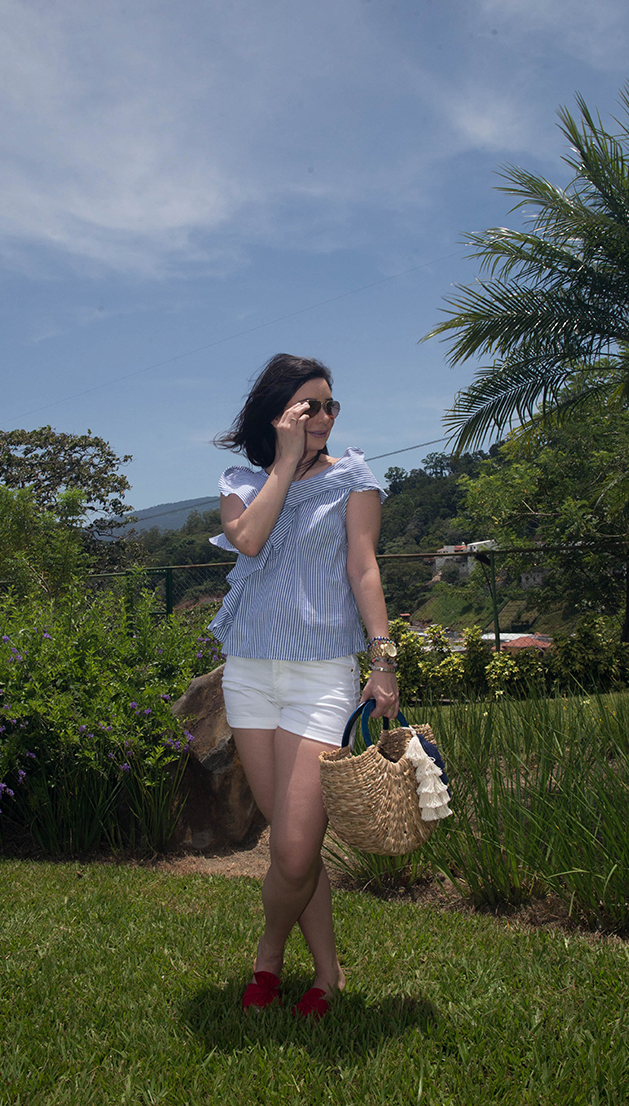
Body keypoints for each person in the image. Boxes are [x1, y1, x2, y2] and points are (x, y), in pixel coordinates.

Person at [209, 353, 399, 1019]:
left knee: (292, 848)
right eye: (309, 406)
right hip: (252, 675)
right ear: (277, 412)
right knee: (296, 843)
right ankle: (326, 973)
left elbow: (364, 568)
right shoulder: (241, 481)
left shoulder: (354, 476)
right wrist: (285, 464)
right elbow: (251, 540)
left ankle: (267, 954)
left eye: (330, 405)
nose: (323, 416)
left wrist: (384, 660)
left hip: (322, 674)